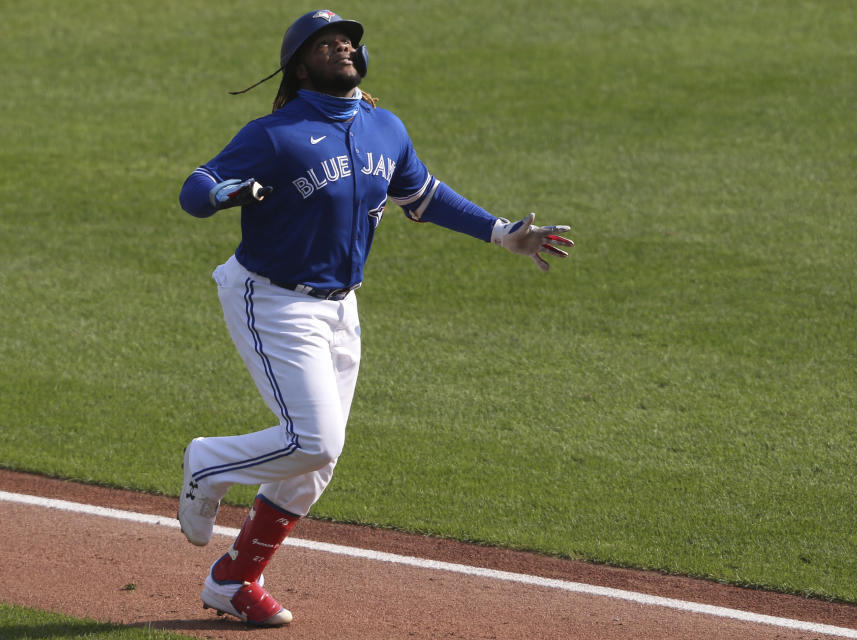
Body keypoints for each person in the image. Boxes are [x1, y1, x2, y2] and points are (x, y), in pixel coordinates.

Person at [177, 9, 574, 626]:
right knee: (312, 441)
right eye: (325, 42)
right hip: (273, 299)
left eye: (348, 41)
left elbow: (424, 196)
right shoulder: (275, 134)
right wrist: (228, 192)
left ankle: (235, 579)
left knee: (317, 464)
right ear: (299, 63)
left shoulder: (384, 127)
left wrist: (501, 234)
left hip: (341, 307)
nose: (342, 46)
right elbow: (195, 188)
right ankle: (209, 462)